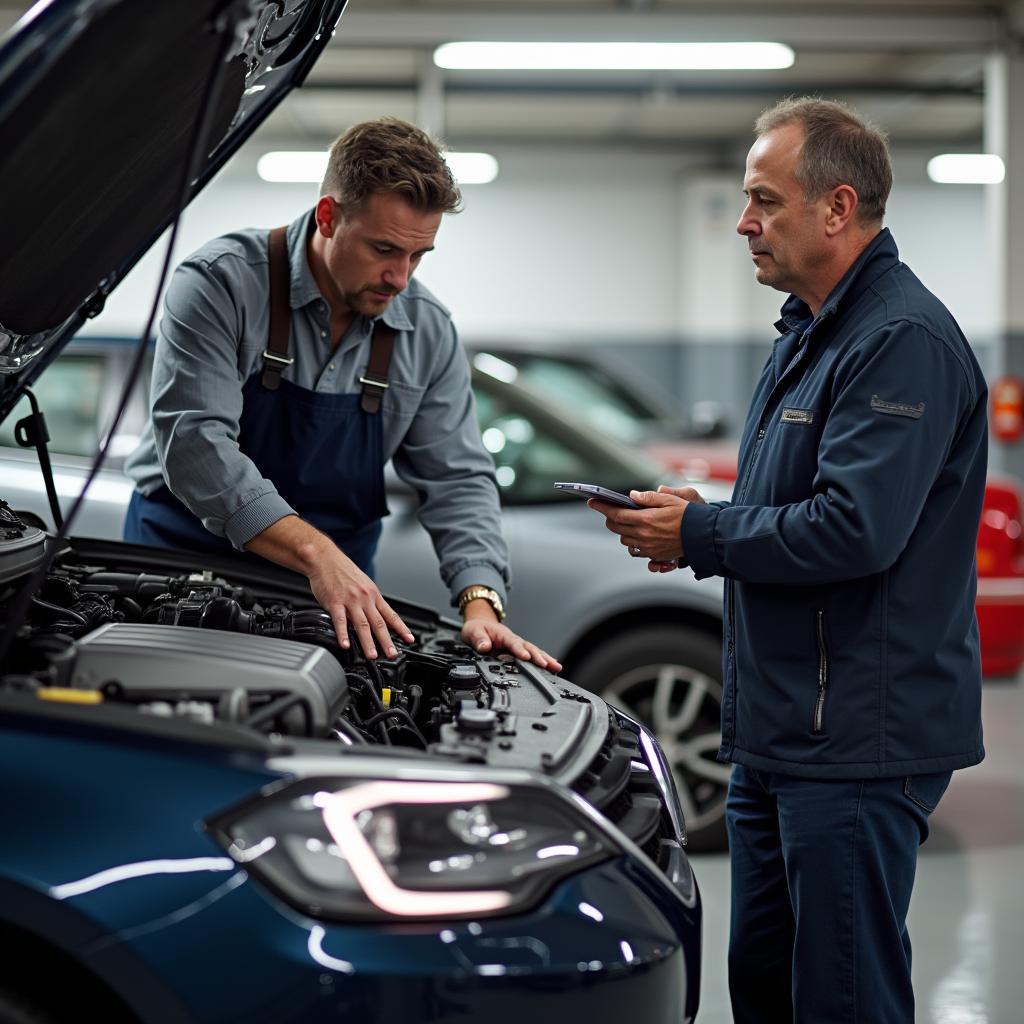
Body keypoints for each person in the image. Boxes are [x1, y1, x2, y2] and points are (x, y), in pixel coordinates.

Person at [589, 97, 987, 1022]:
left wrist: (698, 538)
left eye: (764, 201)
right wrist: (705, 514)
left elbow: (855, 529)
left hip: (855, 736)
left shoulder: (899, 341)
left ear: (837, 208)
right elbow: (794, 502)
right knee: (766, 988)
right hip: (782, 730)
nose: (743, 223)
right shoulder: (809, 330)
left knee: (840, 995)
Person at [124, 117, 559, 671]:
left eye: (419, 255)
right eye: (384, 249)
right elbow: (195, 444)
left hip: (336, 585)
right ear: (328, 216)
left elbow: (458, 477)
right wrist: (314, 551)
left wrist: (481, 603)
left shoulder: (426, 331)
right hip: (181, 556)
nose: (400, 277)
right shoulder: (221, 283)